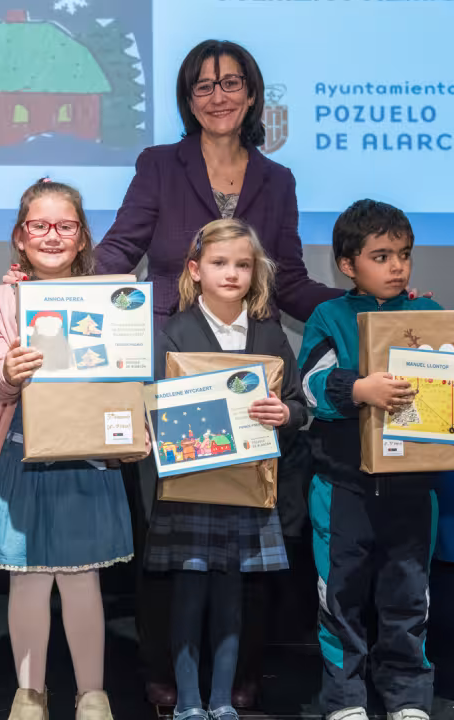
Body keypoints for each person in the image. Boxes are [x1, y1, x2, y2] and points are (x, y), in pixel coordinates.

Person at [85, 39, 344, 706]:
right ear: (187, 99)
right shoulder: (159, 165)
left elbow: (286, 279)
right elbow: (122, 246)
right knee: (167, 531)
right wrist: (60, 286)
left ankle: (239, 672)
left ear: (252, 95)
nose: (218, 95)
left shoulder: (275, 179)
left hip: (248, 379)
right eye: (203, 85)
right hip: (171, 362)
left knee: (242, 531)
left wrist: (357, 310)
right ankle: (164, 672)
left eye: (230, 83)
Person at [298, 200, 454, 720]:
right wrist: (357, 387)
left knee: (408, 597)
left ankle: (407, 697)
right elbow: (309, 385)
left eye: (403, 254)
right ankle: (345, 698)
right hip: (342, 487)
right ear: (347, 264)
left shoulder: (431, 315)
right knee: (340, 599)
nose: (397, 266)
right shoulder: (329, 317)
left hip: (413, 489)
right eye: (381, 256)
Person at [0, 179, 148, 720]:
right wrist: (8, 374)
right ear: (20, 236)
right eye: (39, 226)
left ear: (83, 235)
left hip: (86, 458)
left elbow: (127, 376)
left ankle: (93, 693)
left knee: (83, 577)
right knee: (28, 578)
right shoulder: (1, 299)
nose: (52, 236)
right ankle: (30, 693)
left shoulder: (107, 296)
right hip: (22, 455)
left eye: (65, 226)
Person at [145, 219, 308, 720]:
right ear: (195, 271)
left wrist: (286, 414)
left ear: (256, 273)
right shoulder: (172, 333)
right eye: (219, 263)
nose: (231, 274)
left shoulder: (269, 334)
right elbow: (151, 407)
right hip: (190, 488)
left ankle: (222, 699)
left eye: (242, 264)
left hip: (248, 491)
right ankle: (189, 700)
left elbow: (299, 405)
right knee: (189, 596)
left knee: (234, 598)